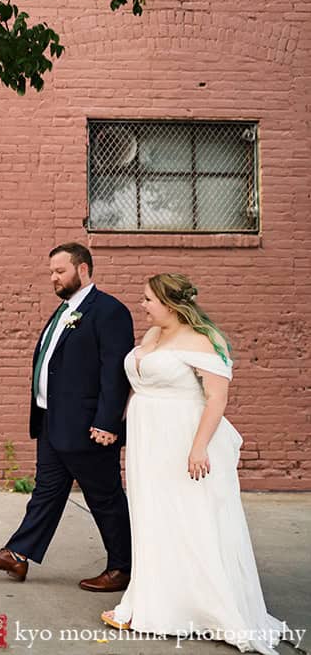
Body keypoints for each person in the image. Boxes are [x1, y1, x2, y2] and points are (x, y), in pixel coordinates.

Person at [100, 273, 287, 654]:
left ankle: (206, 606)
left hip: (183, 438)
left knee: (191, 517)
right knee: (154, 515)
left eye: (148, 299)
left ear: (170, 304)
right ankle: (155, 601)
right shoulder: (152, 336)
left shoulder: (203, 340)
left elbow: (216, 399)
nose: (143, 304)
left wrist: (199, 447)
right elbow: (139, 380)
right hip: (148, 440)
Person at [0, 243, 134, 591]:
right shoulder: (63, 311)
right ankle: (18, 555)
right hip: (52, 422)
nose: (54, 278)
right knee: (46, 492)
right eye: (51, 273)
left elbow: (114, 373)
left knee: (104, 497)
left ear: (83, 269)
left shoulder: (109, 311)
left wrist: (107, 422)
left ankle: (122, 567)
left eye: (60, 271)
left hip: (88, 428)